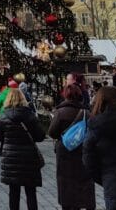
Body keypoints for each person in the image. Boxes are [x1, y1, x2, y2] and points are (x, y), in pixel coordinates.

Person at [47, 81, 94, 210]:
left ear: (65, 95)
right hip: (82, 151)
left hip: (65, 153)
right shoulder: (86, 113)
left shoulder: (60, 112)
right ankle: (86, 203)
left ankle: (69, 205)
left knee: (66, 182)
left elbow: (52, 132)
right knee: (84, 180)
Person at [0, 86, 45, 210]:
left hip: (11, 159)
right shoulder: (29, 115)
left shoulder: (4, 117)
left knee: (13, 192)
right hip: (29, 159)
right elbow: (40, 136)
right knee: (30, 192)